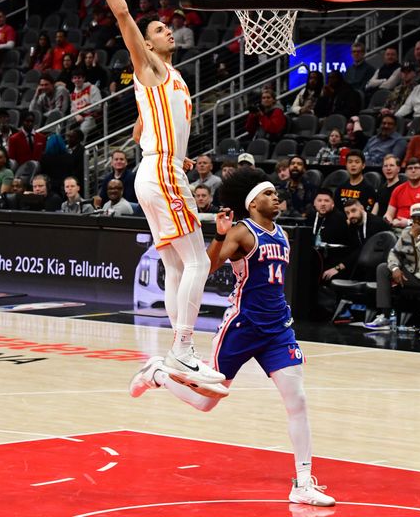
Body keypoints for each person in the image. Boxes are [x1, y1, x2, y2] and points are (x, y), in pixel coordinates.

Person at [128, 168, 336, 508]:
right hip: (241, 327)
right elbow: (207, 268)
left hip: (277, 330)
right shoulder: (243, 232)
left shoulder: (282, 233)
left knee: (297, 401)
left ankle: (302, 482)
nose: (277, 198)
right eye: (269, 194)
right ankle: (158, 374)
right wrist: (218, 236)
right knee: (207, 401)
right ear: (252, 202)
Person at [97, 0, 225, 389]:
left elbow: (139, 128)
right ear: (146, 46)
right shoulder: (150, 67)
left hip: (157, 169)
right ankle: (184, 350)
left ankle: (177, 351)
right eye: (158, 30)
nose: (167, 29)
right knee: (199, 263)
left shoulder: (169, 78)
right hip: (160, 173)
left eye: (167, 27)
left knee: (175, 266)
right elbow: (121, 13)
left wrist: (175, 152)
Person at [368, 202, 420, 334]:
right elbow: (394, 253)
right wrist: (395, 268)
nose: (417, 221)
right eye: (414, 218)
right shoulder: (408, 231)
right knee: (383, 268)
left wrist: (418, 239)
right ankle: (385, 316)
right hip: (416, 273)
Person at [328, 197, 391, 280]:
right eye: (347, 213)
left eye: (353, 211)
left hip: (380, 261)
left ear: (361, 208)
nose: (351, 215)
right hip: (364, 260)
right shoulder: (353, 223)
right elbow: (352, 247)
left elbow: (365, 248)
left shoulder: (375, 223)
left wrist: (339, 267)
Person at [384, 156, 420, 228]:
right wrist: (389, 222)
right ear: (405, 172)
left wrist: (409, 223)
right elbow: (389, 214)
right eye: (410, 168)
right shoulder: (398, 189)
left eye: (416, 168)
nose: (413, 170)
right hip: (397, 228)